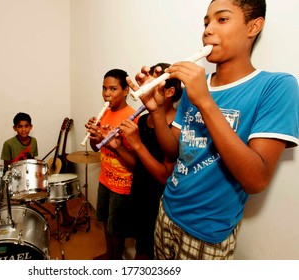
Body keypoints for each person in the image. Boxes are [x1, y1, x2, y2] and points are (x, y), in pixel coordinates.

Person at [127, 0, 299, 260]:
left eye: (222, 19)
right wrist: (157, 111)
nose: (207, 29)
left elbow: (256, 180)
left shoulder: (276, 86)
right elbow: (174, 151)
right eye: (206, 22)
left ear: (254, 26)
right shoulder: (196, 86)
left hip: (208, 232)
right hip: (167, 210)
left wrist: (205, 102)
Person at [117, 63, 182, 259]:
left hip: (160, 202)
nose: (144, 91)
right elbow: (137, 164)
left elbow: (165, 177)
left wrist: (137, 144)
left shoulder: (178, 125)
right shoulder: (143, 120)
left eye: (150, 86)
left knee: (155, 253)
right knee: (141, 248)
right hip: (139, 193)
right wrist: (117, 146)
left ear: (169, 91)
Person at [85, 68, 138, 260]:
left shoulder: (133, 116)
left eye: (113, 89)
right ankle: (110, 255)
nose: (107, 94)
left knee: (117, 228)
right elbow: (96, 148)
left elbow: (134, 163)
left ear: (125, 91)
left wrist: (112, 143)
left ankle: (117, 260)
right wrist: (94, 134)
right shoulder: (104, 113)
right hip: (105, 178)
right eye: (104, 88)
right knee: (104, 222)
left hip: (122, 185)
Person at [1, 112, 76, 226]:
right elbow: (7, 167)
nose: (23, 129)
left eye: (26, 126)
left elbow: (32, 159)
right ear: (14, 128)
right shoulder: (8, 144)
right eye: (20, 126)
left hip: (30, 177)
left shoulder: (33, 141)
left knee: (56, 185)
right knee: (10, 207)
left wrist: (39, 165)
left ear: (31, 127)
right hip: (16, 179)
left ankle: (65, 217)